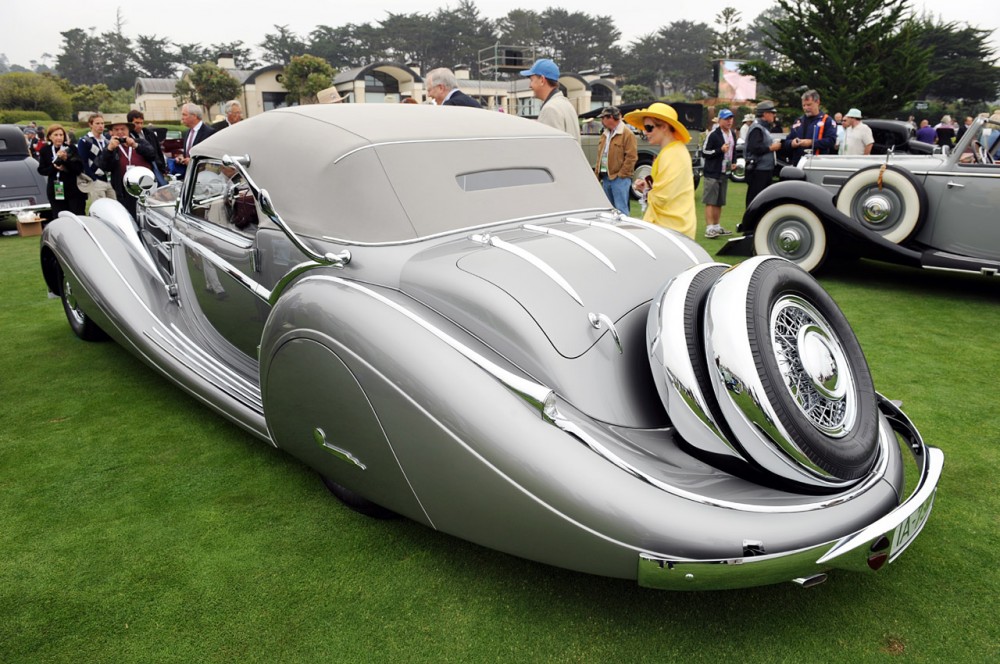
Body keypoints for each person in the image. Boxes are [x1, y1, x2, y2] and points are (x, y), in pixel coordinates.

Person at [624, 103, 695, 239]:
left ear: (664, 126)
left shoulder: (673, 154)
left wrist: (648, 192)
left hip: (671, 230)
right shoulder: (672, 151)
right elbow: (666, 190)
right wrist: (647, 188)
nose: (645, 132)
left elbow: (662, 197)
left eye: (649, 128)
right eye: (644, 128)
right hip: (669, 229)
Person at [96, 116, 157, 221]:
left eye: (123, 129)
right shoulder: (110, 147)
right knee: (129, 218)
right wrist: (110, 149)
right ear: (111, 132)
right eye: (116, 129)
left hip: (145, 187)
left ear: (128, 130)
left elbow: (152, 155)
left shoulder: (140, 142)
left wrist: (135, 145)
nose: (120, 132)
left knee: (148, 218)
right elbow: (103, 166)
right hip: (124, 190)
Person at [519, 58, 580, 141]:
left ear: (542, 80)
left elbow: (551, 149)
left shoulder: (550, 109)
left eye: (532, 80)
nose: (530, 85)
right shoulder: (566, 104)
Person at [593, 106, 637, 215]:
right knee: (609, 211)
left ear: (611, 117)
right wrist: (598, 175)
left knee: (621, 211)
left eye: (603, 118)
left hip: (619, 179)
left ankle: (624, 230)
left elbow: (632, 157)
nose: (601, 121)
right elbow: (601, 156)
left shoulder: (627, 134)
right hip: (606, 178)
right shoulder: (605, 134)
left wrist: (621, 175)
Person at [36, 124, 86, 216]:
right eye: (56, 135)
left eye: (61, 135)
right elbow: (42, 170)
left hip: (72, 189)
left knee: (77, 215)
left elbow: (78, 168)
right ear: (50, 136)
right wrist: (54, 167)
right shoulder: (45, 150)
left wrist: (66, 160)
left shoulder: (71, 149)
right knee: (59, 216)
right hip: (56, 188)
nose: (59, 137)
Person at [702, 109, 736, 238]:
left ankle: (716, 226)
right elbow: (705, 152)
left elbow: (733, 150)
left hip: (724, 171)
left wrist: (733, 162)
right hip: (712, 172)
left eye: (731, 118)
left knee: (719, 201)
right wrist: (719, 150)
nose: (729, 121)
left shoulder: (732, 133)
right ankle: (709, 228)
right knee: (710, 200)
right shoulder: (713, 134)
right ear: (720, 120)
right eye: (727, 119)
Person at [744, 101, 783, 207]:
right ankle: (751, 222)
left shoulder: (762, 127)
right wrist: (771, 148)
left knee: (763, 200)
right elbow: (754, 147)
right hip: (759, 169)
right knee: (756, 199)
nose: (774, 115)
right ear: (765, 114)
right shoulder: (757, 128)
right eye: (772, 113)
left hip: (764, 169)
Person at [783, 89, 839, 163]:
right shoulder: (798, 121)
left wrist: (811, 142)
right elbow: (787, 141)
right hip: (798, 163)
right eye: (804, 105)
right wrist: (792, 143)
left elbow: (831, 141)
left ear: (817, 102)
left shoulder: (827, 120)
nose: (806, 108)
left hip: (818, 162)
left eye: (809, 105)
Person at [76, 113, 116, 204]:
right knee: (100, 208)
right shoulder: (85, 141)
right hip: (96, 180)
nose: (101, 126)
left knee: (114, 207)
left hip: (109, 179)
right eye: (97, 123)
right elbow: (83, 162)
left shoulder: (107, 140)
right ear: (90, 124)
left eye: (102, 123)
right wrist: (93, 179)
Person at [127, 110, 167, 185]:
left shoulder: (149, 134)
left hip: (154, 166)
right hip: (139, 170)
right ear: (130, 123)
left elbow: (158, 152)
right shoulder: (128, 137)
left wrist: (163, 169)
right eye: (136, 123)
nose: (140, 126)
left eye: (141, 123)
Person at [176, 103, 216, 176]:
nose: (182, 118)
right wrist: (182, 157)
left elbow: (211, 156)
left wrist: (192, 162)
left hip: (203, 175)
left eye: (184, 115)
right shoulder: (187, 132)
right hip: (188, 174)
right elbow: (188, 152)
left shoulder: (209, 132)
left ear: (194, 116)